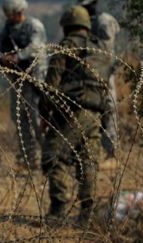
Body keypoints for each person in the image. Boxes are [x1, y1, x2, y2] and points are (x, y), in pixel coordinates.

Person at [40, 5, 111, 223]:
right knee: (87, 161)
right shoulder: (101, 50)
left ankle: (58, 209)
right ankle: (86, 213)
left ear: (67, 26)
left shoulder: (67, 46)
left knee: (53, 154)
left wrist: (45, 113)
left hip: (73, 111)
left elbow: (51, 85)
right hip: (96, 113)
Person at [0, 0, 47, 168]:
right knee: (18, 117)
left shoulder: (34, 26)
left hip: (34, 78)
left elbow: (35, 47)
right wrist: (3, 59)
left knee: (36, 117)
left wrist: (17, 57)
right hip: (17, 78)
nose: (8, 16)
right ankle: (28, 157)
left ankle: (48, 154)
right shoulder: (8, 29)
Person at [79, 0, 120, 160]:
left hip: (104, 73)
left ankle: (111, 153)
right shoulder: (85, 23)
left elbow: (106, 50)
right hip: (90, 74)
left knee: (109, 109)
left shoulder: (104, 21)